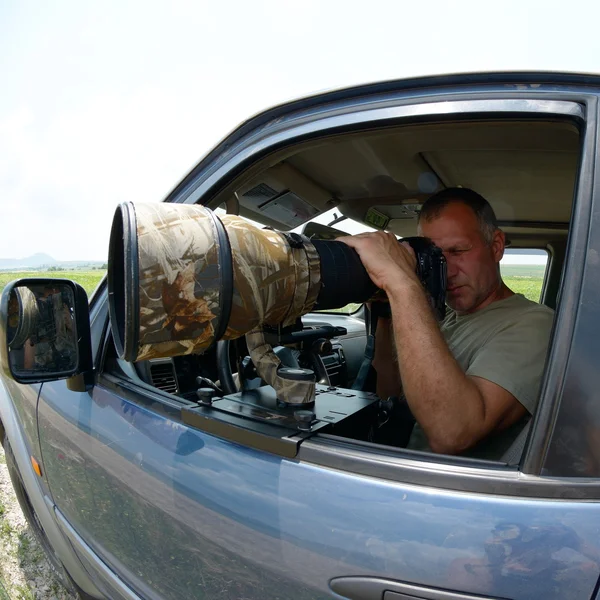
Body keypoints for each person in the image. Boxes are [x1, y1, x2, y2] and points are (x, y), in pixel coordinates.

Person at [339, 188, 554, 457]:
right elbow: (391, 392)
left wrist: (403, 285)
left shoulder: (534, 324)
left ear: (496, 246)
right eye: (436, 257)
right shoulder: (442, 315)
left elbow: (453, 434)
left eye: (458, 250)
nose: (447, 271)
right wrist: (385, 313)